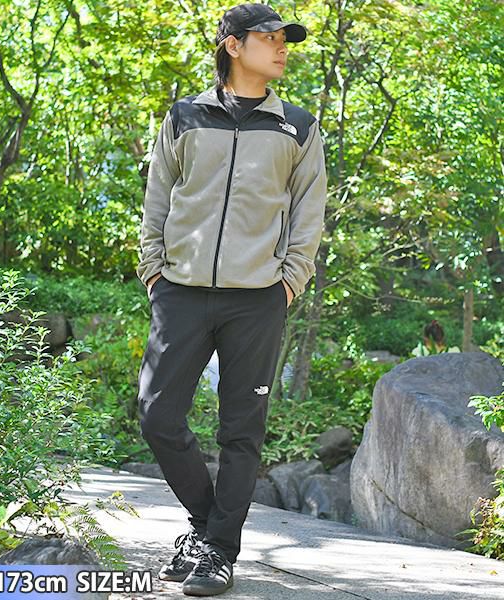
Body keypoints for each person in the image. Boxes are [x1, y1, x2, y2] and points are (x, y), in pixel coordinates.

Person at [135, 3, 327, 596]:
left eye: (286, 39)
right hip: (181, 291)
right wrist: (154, 271)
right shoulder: (185, 116)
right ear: (233, 45)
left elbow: (308, 212)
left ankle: (218, 551)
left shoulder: (297, 127)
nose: (282, 47)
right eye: (270, 38)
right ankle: (206, 528)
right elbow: (158, 195)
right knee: (157, 415)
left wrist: (289, 280)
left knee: (241, 433)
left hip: (257, 299)